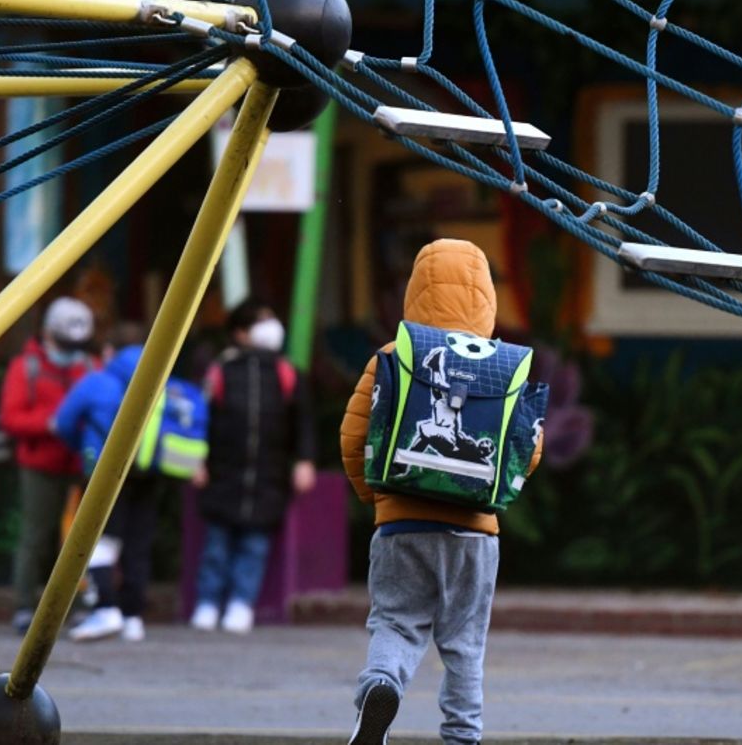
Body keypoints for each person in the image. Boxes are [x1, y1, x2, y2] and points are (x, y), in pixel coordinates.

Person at [339, 239, 543, 745]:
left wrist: (379, 499)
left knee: (395, 621)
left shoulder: (393, 356)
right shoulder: (504, 366)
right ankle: (461, 736)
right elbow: (527, 450)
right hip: (474, 532)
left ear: (415, 290)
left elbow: (353, 437)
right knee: (465, 644)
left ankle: (382, 683)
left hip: (401, 525)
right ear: (487, 298)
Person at [53, 325, 206, 643]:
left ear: (110, 350)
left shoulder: (98, 381)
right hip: (149, 473)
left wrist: (80, 448)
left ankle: (107, 609)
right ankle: (133, 617)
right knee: (138, 543)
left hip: (105, 475)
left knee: (98, 542)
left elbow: (62, 422)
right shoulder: (164, 380)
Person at [191, 298, 317, 634]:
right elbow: (199, 419)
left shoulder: (287, 373)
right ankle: (206, 602)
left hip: (269, 475)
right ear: (240, 332)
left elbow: (303, 421)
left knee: (255, 545)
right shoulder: (220, 371)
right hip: (222, 472)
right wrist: (196, 459)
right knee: (216, 544)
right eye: (261, 320)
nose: (271, 326)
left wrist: (305, 460)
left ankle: (241, 603)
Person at [0, 296, 96, 633]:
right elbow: (11, 418)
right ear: (48, 333)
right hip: (39, 465)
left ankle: (80, 607)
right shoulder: (26, 367)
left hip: (80, 466)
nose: (73, 349)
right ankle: (25, 606)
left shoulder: (89, 366)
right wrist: (51, 422)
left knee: (78, 540)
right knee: (34, 537)